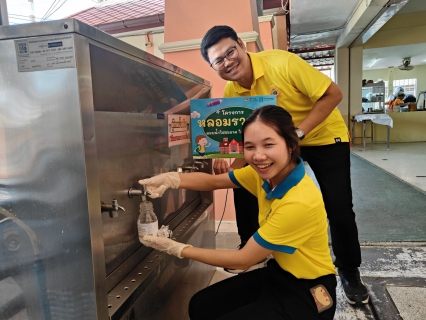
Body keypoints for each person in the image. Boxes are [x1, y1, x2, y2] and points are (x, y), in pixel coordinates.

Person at [199, 25, 368, 306]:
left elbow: (333, 95)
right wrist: (232, 169)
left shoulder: (283, 63)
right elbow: (247, 141)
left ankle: (349, 270)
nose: (227, 62)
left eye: (230, 52)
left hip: (323, 135)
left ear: (241, 45)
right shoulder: (232, 89)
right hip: (280, 145)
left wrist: (297, 135)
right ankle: (251, 248)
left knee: (338, 207)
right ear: (213, 67)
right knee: (243, 183)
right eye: (218, 60)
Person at [139, 106, 337, 320]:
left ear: (290, 144)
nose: (259, 156)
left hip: (309, 291)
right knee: (201, 306)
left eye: (268, 144)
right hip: (279, 273)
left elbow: (243, 260)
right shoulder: (264, 175)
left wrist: (178, 249)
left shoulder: (299, 201)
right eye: (250, 147)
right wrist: (170, 180)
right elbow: (214, 181)